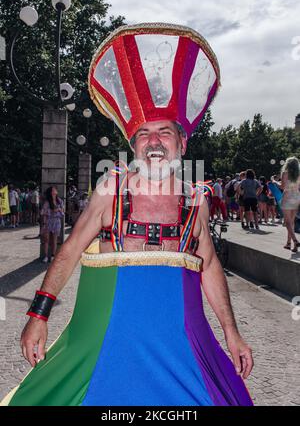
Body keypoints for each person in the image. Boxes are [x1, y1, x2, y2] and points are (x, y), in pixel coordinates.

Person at [1, 23, 253, 407]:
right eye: (144, 134)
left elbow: (210, 266)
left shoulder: (196, 201)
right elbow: (68, 253)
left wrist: (231, 333)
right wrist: (38, 314)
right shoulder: (110, 191)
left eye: (164, 133)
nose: (154, 142)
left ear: (182, 142)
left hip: (184, 360)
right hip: (103, 356)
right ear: (132, 145)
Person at [279, 157, 300, 252]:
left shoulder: (285, 173)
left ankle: (295, 241)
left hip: (287, 197)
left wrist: (275, 182)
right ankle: (289, 243)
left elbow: (283, 187)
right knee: (292, 221)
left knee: (287, 222)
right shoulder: (299, 174)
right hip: (296, 197)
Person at [40, 187, 64, 263]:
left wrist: (58, 210)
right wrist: (44, 223)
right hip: (48, 221)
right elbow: (43, 213)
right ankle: (46, 256)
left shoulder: (59, 201)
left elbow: (62, 212)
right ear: (51, 192)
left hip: (57, 221)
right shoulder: (47, 202)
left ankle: (53, 255)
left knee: (55, 240)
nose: (56, 190)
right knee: (46, 240)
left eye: (55, 189)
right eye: (54, 189)